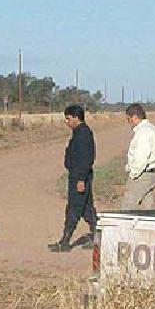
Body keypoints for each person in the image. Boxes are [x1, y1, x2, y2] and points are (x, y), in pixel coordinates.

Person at [48, 104, 97, 252]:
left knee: (74, 209)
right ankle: (99, 238)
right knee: (87, 210)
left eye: (68, 118)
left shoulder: (83, 134)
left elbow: (86, 159)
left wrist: (81, 179)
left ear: (76, 118)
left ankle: (65, 241)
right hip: (77, 176)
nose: (66, 122)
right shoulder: (79, 132)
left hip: (79, 178)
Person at [121, 103, 155, 210]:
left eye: (128, 119)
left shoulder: (143, 132)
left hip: (142, 175)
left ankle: (125, 227)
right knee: (147, 209)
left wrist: (133, 174)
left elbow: (141, 156)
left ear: (134, 117)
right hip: (152, 174)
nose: (128, 122)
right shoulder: (153, 129)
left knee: (127, 207)